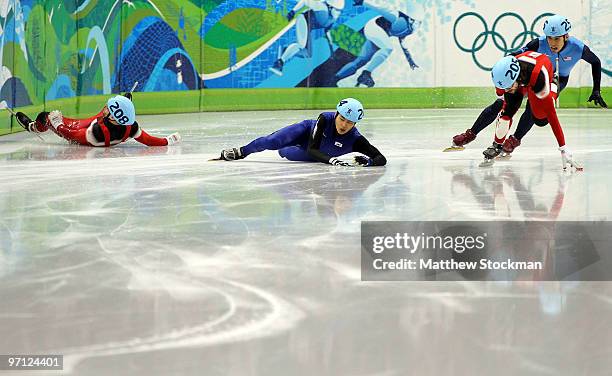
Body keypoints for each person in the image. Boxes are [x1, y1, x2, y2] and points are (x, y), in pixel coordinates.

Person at [446, 14, 606, 153]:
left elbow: (596, 62)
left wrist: (596, 89)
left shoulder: (578, 48)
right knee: (501, 104)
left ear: (566, 36)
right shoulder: (539, 43)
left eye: (557, 38)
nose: (552, 43)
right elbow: (517, 53)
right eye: (550, 38)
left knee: (534, 107)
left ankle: (515, 139)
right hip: (530, 76)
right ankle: (470, 134)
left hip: (556, 79)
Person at [217, 98, 386, 166]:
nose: (343, 125)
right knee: (273, 142)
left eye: (349, 122)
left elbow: (381, 158)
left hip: (311, 154)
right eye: (341, 119)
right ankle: (241, 151)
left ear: (355, 124)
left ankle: (285, 146)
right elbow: (313, 148)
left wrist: (369, 162)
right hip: (306, 134)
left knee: (285, 153)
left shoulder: (356, 139)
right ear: (336, 114)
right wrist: (333, 161)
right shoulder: (325, 119)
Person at [483, 53, 581, 170]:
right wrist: (498, 142)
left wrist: (563, 148)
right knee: (506, 113)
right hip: (522, 79)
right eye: (504, 88)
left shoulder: (539, 77)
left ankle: (553, 86)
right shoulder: (503, 76)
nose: (506, 90)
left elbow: (551, 114)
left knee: (540, 119)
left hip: (540, 78)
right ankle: (496, 146)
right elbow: (505, 97)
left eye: (508, 87)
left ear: (517, 78)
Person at [14, 94, 181, 147]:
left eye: (109, 109)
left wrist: (58, 124)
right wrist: (167, 141)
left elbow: (72, 135)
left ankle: (34, 127)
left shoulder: (96, 133)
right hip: (103, 126)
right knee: (104, 113)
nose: (106, 108)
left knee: (45, 116)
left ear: (114, 118)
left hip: (80, 134)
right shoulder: (131, 127)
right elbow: (148, 140)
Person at [333, 0, 419, 87]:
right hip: (373, 28)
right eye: (417, 22)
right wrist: (362, 2)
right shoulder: (396, 17)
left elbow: (403, 43)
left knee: (360, 62)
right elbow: (380, 9)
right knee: (388, 48)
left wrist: (410, 60)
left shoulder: (407, 28)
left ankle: (335, 79)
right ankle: (366, 73)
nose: (417, 25)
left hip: (378, 35)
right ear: (410, 19)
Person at [269, 0, 345, 76]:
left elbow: (328, 32)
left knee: (308, 53)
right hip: (303, 20)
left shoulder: (332, 19)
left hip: (309, 28)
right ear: (330, 7)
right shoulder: (322, 8)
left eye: (340, 11)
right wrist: (293, 12)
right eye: (337, 10)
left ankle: (286, 50)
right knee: (301, 45)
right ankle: (279, 63)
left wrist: (331, 51)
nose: (338, 13)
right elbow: (306, 1)